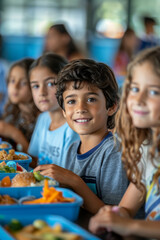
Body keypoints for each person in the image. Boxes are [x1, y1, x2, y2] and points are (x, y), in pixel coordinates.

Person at [34, 59, 128, 214]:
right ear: (64, 111)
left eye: (91, 99)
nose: (80, 108)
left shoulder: (114, 151)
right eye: (71, 101)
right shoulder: (72, 149)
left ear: (111, 106)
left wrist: (74, 181)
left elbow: (112, 215)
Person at [89, 46, 160, 239]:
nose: (138, 99)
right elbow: (129, 204)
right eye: (135, 89)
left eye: (153, 92)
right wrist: (115, 215)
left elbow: (129, 223)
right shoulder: (149, 148)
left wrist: (130, 226)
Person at [28, 53, 79, 168]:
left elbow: (69, 175)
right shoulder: (43, 118)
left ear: (67, 84)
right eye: (36, 86)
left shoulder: (73, 127)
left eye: (51, 83)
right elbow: (33, 158)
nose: (42, 93)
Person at [0, 58, 39, 153]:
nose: (15, 87)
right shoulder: (12, 113)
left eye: (23, 83)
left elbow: (35, 160)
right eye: (12, 81)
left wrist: (14, 133)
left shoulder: (41, 119)